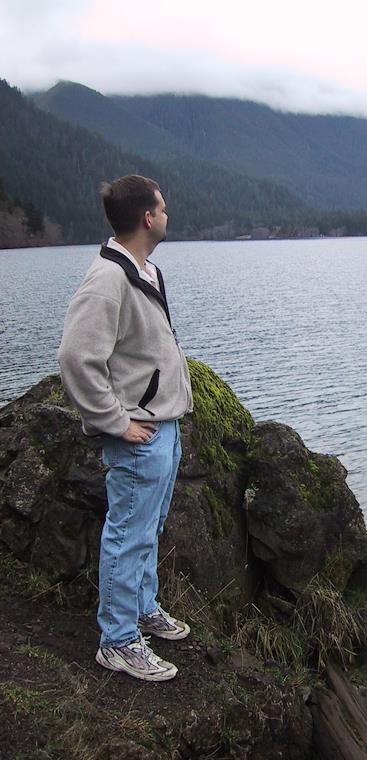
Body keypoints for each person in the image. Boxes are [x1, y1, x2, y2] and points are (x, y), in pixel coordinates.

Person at [58, 175, 193, 681]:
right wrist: (115, 421)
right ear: (147, 217)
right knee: (128, 535)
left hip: (163, 427)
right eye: (163, 207)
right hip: (138, 436)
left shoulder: (145, 270)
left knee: (148, 528)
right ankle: (116, 642)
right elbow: (76, 357)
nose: (167, 214)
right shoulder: (108, 278)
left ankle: (142, 608)